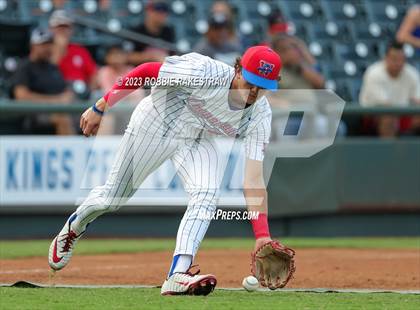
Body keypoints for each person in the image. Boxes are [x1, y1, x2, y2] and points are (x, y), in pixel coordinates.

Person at [48, 46, 295, 295]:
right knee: (113, 198)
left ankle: (178, 274)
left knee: (207, 193)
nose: (254, 91)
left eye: (263, 86)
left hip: (197, 136)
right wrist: (102, 105)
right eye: (251, 82)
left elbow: (253, 179)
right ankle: (76, 224)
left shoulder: (260, 115)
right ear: (238, 70)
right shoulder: (205, 72)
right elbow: (147, 71)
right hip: (157, 122)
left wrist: (262, 235)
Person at [12, 28, 74, 135]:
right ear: (33, 46)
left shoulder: (52, 67)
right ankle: (76, 151)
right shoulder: (25, 66)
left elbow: (66, 91)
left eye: (50, 44)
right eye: (44, 44)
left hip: (60, 109)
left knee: (95, 116)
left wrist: (67, 97)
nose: (48, 48)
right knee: (62, 118)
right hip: (35, 113)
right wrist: (55, 101)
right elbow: (21, 96)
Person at [359, 41, 420, 137]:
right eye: (394, 59)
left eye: (401, 59)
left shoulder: (412, 73)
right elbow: (385, 105)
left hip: (402, 114)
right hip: (373, 116)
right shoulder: (374, 73)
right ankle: (391, 151)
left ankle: (410, 148)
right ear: (386, 58)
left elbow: (417, 100)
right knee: (388, 117)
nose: (398, 63)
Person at [49, 10, 97, 91]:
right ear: (51, 29)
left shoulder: (80, 50)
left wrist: (88, 91)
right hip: (57, 92)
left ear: (71, 30)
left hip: (80, 91)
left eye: (65, 27)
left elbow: (93, 74)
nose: (62, 30)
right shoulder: (45, 50)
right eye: (59, 27)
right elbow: (47, 73)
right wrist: (59, 49)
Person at [128, 0, 175, 64]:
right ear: (148, 11)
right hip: (141, 71)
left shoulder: (168, 31)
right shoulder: (137, 30)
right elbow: (127, 57)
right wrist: (152, 56)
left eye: (165, 11)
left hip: (162, 71)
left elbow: (173, 54)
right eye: (158, 11)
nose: (162, 15)